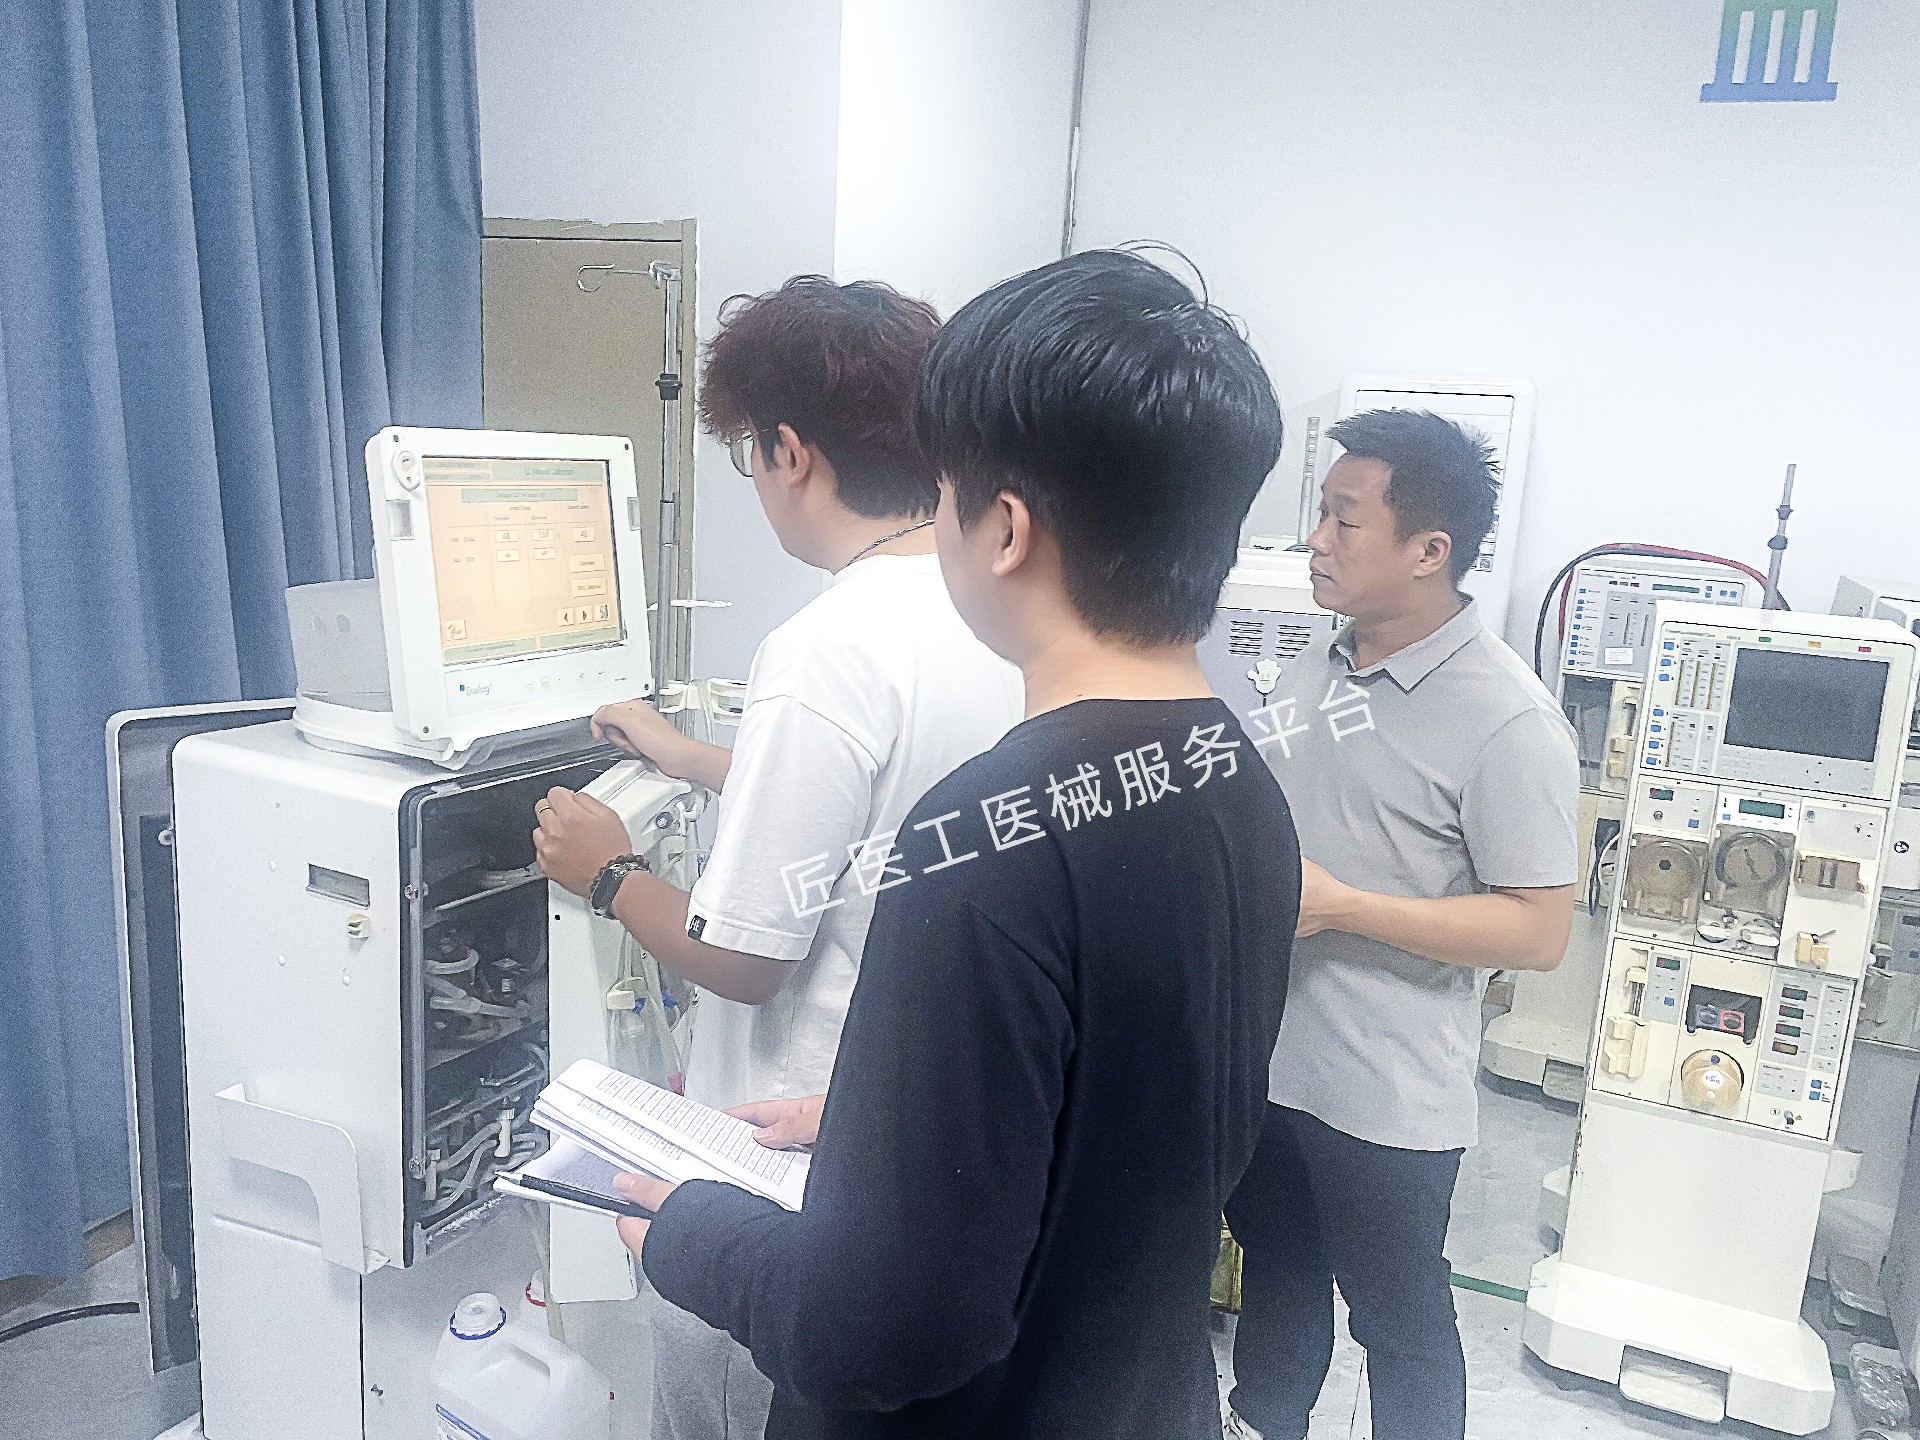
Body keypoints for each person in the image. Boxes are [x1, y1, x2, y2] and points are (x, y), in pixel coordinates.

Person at [611, 249, 1302, 1440]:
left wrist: (687, 1230)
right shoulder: (1230, 778)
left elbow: (882, 1328)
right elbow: (1143, 1123)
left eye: (944, 495)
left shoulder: (984, 841)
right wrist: (895, 1115)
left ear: (1006, 531)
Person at [532, 275, 1023, 1440]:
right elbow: (878, 807)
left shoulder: (826, 645)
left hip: (782, 1132)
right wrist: (695, 757)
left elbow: (745, 960)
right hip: (906, 1115)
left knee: (735, 1397)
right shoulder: (985, 607)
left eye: (749, 454)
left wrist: (607, 874)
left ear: (790, 452)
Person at [1221, 409, 1580, 1440]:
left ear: (1430, 551)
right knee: (1278, 1272)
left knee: (1399, 1318)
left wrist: (1347, 908)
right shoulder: (1322, 664)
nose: (1315, 542)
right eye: (1320, 516)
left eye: (1344, 520)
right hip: (1270, 1063)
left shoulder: (1508, 719)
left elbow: (1537, 932)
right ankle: (1261, 1423)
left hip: (1385, 1091)